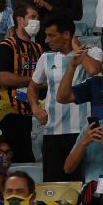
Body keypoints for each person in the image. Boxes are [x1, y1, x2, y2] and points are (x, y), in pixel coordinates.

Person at [30, 15, 92, 182]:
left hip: (80, 131)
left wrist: (78, 48)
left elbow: (93, 70)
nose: (46, 40)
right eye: (46, 35)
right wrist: (35, 108)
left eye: (51, 35)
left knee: (81, 184)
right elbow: (33, 86)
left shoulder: (91, 53)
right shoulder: (46, 57)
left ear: (66, 35)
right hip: (52, 131)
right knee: (54, 184)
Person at [0, 6, 43, 160]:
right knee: (22, 155)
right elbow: (2, 77)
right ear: (20, 20)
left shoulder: (38, 49)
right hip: (10, 110)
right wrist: (33, 81)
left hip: (31, 110)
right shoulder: (6, 46)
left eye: (38, 18)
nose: (36, 21)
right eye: (32, 17)